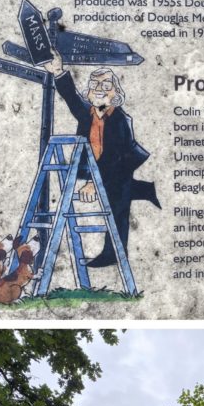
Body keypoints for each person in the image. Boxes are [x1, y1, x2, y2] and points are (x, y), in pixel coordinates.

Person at [43, 49, 160, 267]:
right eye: (95, 85)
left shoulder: (118, 119)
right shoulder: (87, 113)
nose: (99, 90)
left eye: (106, 86)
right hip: (99, 168)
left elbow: (114, 158)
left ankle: (113, 253)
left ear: (115, 93)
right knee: (119, 198)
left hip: (120, 167)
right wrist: (58, 71)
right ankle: (148, 190)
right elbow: (71, 97)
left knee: (118, 207)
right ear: (88, 91)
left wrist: (92, 183)